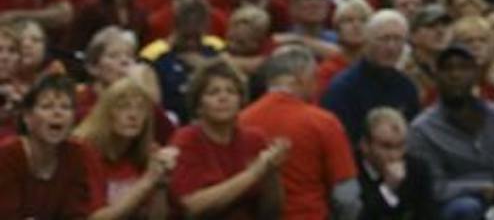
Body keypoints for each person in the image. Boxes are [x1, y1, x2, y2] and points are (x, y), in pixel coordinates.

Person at [406, 42, 494, 220]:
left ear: (475, 75)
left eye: (463, 68)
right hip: (459, 204)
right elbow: (433, 187)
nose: (455, 75)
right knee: (466, 208)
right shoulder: (423, 129)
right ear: (437, 77)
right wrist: (479, 188)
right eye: (448, 69)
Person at [236, 46, 355, 220]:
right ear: (301, 79)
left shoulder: (240, 120)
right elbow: (346, 196)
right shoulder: (323, 122)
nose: (317, 85)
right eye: (314, 78)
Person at [169, 60, 287, 220]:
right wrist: (254, 172)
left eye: (231, 92)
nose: (223, 98)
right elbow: (191, 206)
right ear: (198, 105)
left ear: (240, 101)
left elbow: (272, 211)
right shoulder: (187, 139)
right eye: (213, 92)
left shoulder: (255, 139)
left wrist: (271, 172)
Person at [76, 69, 178, 220]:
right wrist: (147, 181)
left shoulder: (147, 153)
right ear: (106, 113)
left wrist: (160, 185)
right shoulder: (85, 151)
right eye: (123, 107)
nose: (133, 115)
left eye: (140, 108)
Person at [0, 69, 97, 218]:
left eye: (65, 107)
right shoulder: (8, 156)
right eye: (47, 106)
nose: (57, 113)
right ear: (27, 117)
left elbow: (76, 214)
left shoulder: (77, 154)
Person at [323, 12, 421, 153]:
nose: (391, 47)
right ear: (367, 41)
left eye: (398, 39)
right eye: (384, 39)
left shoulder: (407, 87)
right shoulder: (343, 89)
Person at [355, 108, 440, 220]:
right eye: (386, 146)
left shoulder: (418, 169)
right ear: (365, 145)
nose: (395, 155)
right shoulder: (350, 171)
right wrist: (388, 189)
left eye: (400, 146)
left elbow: (428, 215)